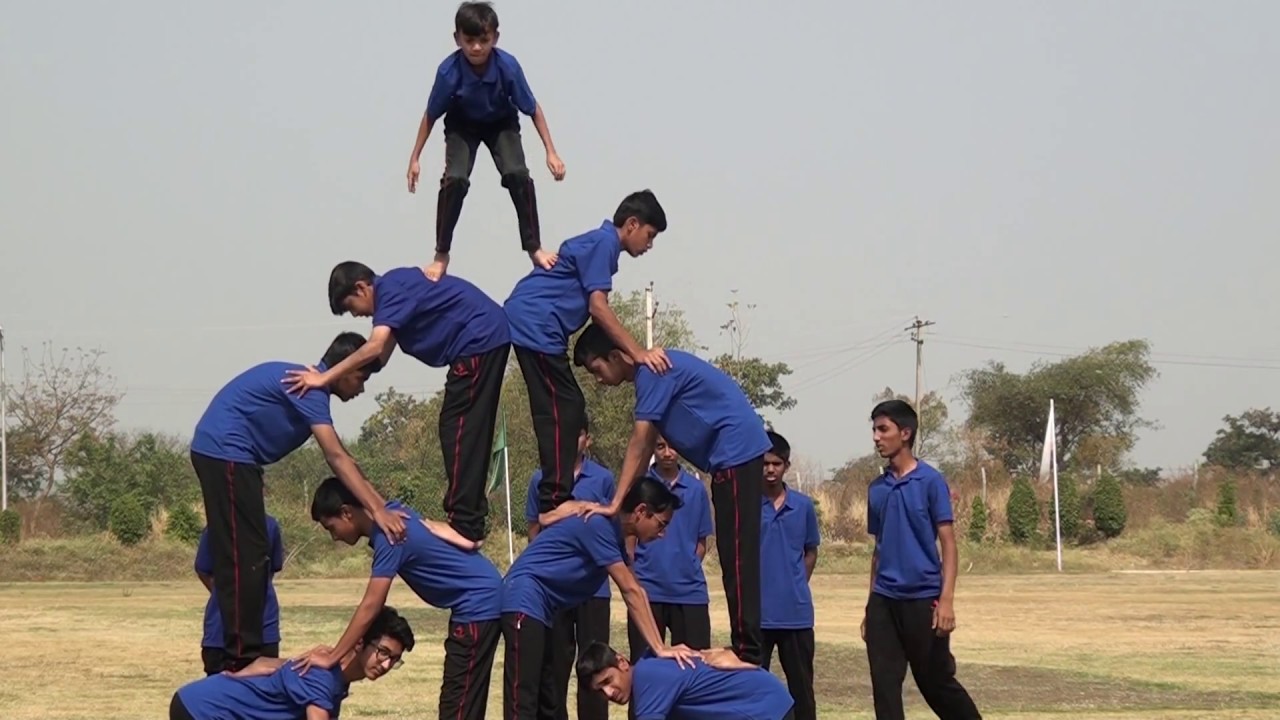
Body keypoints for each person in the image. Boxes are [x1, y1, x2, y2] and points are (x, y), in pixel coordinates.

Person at [189, 331, 406, 672]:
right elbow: (336, 457)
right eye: (361, 379)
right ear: (347, 369)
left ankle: (249, 647)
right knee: (244, 554)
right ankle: (242, 656)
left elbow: (346, 460)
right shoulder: (311, 390)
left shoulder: (312, 388)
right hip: (225, 451)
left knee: (253, 553)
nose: (361, 389)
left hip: (233, 456)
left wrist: (384, 506)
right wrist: (378, 510)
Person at [567, 323, 771, 666]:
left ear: (615, 356)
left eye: (596, 369)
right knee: (734, 553)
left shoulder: (652, 373)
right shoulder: (650, 377)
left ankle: (747, 651)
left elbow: (639, 441)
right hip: (731, 458)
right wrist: (624, 502)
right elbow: (647, 443)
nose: (598, 379)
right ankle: (744, 644)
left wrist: (614, 504)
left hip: (736, 453)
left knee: (738, 555)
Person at [287, 262, 509, 543]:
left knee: (459, 429)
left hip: (478, 341)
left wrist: (322, 378)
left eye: (351, 307)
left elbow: (375, 347)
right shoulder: (396, 295)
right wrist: (325, 367)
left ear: (361, 288)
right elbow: (377, 361)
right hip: (483, 340)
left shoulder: (389, 290)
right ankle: (468, 522)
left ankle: (466, 525)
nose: (357, 315)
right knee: (463, 429)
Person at [505, 190, 670, 523]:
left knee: (564, 407)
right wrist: (639, 353)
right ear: (632, 224)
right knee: (563, 408)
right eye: (650, 235)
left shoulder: (602, 246)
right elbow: (598, 307)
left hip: (538, 328)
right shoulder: (604, 243)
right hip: (536, 326)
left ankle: (554, 497)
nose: (649, 245)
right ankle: (553, 501)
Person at [295, 477, 502, 720]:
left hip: (478, 604)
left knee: (457, 706)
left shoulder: (390, 535)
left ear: (347, 513)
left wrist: (333, 656)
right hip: (479, 602)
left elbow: (371, 605)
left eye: (331, 527)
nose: (334, 537)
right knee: (462, 701)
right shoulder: (393, 513)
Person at [501, 477, 699, 719]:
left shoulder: (615, 536)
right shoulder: (598, 525)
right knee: (523, 697)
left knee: (549, 698)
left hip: (545, 610)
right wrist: (660, 649)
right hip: (524, 599)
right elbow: (629, 590)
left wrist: (660, 647)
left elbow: (638, 590)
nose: (662, 534)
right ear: (640, 511)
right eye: (661, 524)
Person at [406, 0, 566, 280]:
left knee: (517, 174)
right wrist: (415, 158)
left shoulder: (508, 67)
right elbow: (430, 115)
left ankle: (534, 247)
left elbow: (533, 109)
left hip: (500, 123)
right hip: (462, 125)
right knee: (455, 180)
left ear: (495, 38)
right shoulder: (448, 72)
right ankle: (441, 253)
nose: (477, 48)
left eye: (484, 40)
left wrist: (550, 152)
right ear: (457, 39)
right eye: (469, 41)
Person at [862, 400, 982, 720]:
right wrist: (870, 607)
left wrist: (946, 601)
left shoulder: (930, 481)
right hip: (884, 601)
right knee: (885, 687)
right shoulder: (877, 489)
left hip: (923, 599)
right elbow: (879, 550)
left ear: (905, 433)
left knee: (935, 682)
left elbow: (949, 544)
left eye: (883, 429)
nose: (876, 437)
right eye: (874, 430)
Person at [168, 606, 415, 720]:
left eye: (394, 659)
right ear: (360, 642)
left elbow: (267, 663)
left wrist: (239, 676)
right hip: (201, 709)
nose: (386, 665)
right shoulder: (322, 676)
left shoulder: (333, 674)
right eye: (383, 652)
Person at [523, 418, 613, 720]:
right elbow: (533, 529)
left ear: (587, 439)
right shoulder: (541, 479)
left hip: (594, 587)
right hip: (555, 589)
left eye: (578, 434)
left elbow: (612, 526)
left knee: (595, 662)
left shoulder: (603, 479)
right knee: (554, 666)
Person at [625, 435, 714, 661]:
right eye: (660, 446)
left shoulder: (696, 489)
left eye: (673, 446)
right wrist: (636, 571)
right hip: (648, 589)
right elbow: (630, 535)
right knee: (645, 665)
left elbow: (702, 541)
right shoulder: (642, 485)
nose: (667, 453)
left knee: (694, 665)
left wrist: (688, 565)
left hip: (689, 592)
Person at [759, 430, 820, 720]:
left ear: (786, 466)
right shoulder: (746, 505)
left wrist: (795, 582)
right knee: (752, 689)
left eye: (777, 463)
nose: (770, 469)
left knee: (802, 691)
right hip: (757, 616)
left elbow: (811, 551)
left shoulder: (803, 506)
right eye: (765, 463)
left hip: (795, 615)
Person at [576, 643, 795, 720]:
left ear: (622, 662)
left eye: (608, 680)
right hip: (769, 699)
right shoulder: (651, 665)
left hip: (765, 708)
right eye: (600, 690)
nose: (609, 693)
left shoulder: (646, 677)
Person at [194, 515, 284, 676]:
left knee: (262, 685)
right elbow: (203, 569)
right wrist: (228, 595)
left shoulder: (269, 526)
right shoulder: (216, 527)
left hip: (262, 629)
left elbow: (270, 569)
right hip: (221, 631)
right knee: (219, 687)